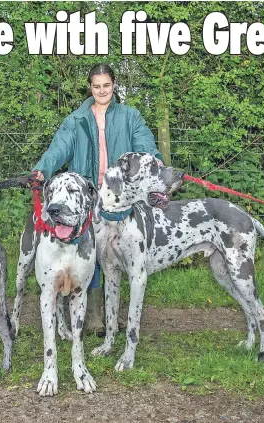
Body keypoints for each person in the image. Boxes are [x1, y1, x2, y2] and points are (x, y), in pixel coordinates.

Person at [31, 63, 163, 334]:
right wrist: (42, 170)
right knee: (90, 251)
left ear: (114, 85)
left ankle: (114, 313)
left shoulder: (130, 116)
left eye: (106, 85)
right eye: (96, 86)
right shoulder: (77, 119)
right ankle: (92, 313)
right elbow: (59, 148)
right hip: (88, 195)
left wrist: (157, 166)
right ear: (90, 87)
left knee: (120, 254)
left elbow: (146, 147)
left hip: (121, 198)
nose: (102, 90)